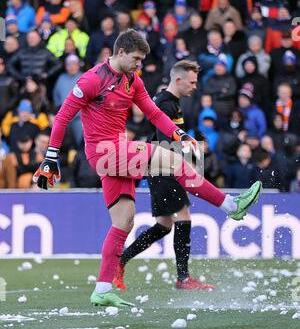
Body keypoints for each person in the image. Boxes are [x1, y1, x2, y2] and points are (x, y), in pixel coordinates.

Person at [33, 29, 262, 307]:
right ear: (120, 53)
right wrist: (51, 157)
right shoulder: (93, 79)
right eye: (136, 59)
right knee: (172, 159)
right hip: (104, 152)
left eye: (141, 60)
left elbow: (153, 113)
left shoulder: (132, 80)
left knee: (124, 221)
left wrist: (180, 136)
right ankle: (230, 206)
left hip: (117, 153)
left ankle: (103, 289)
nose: (139, 64)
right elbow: (62, 116)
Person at [114, 60, 215, 291]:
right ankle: (183, 277)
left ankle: (119, 261)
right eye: (191, 82)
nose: (194, 86)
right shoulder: (165, 104)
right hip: (163, 168)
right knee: (184, 217)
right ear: (178, 80)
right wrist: (193, 149)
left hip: (161, 167)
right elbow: (164, 141)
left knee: (164, 225)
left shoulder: (171, 103)